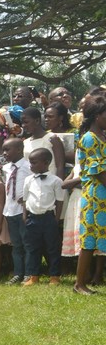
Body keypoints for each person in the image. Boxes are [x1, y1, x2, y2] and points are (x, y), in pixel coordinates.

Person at [74, 89, 106, 294]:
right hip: (96, 195)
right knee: (89, 241)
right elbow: (100, 171)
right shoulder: (90, 138)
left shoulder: (101, 136)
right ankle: (79, 284)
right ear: (97, 116)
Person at [21, 147, 65, 286]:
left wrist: (56, 219)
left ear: (46, 163)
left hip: (48, 218)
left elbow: (59, 202)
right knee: (33, 248)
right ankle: (33, 275)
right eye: (30, 162)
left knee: (52, 247)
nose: (31, 166)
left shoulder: (56, 181)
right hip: (32, 218)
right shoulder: (28, 180)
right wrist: (25, 216)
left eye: (34, 162)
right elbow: (25, 199)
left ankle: (54, 276)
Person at [2, 138, 31, 284]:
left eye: (7, 150)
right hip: (10, 210)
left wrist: (27, 198)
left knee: (27, 243)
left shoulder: (28, 166)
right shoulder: (6, 168)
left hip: (23, 211)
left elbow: (34, 183)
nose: (4, 153)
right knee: (16, 244)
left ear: (19, 150)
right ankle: (18, 273)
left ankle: (29, 273)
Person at [21, 107, 66, 179]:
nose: (23, 125)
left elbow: (60, 166)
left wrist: (58, 186)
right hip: (33, 185)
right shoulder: (25, 142)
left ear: (37, 121)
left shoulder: (52, 139)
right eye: (22, 123)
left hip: (50, 184)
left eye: (26, 122)